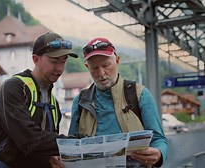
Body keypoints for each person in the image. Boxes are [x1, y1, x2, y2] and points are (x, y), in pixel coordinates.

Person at [68, 37, 168, 167]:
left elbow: (159, 139)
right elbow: (71, 146)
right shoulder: (80, 101)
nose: (101, 73)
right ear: (87, 67)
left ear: (117, 60)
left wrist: (159, 153)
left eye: (106, 65)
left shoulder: (139, 94)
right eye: (94, 68)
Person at [0, 32, 78, 168]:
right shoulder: (14, 88)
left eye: (63, 61)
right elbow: (30, 141)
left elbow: (46, 144)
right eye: (54, 61)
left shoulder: (53, 102)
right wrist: (79, 142)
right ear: (36, 59)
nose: (60, 68)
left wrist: (50, 158)